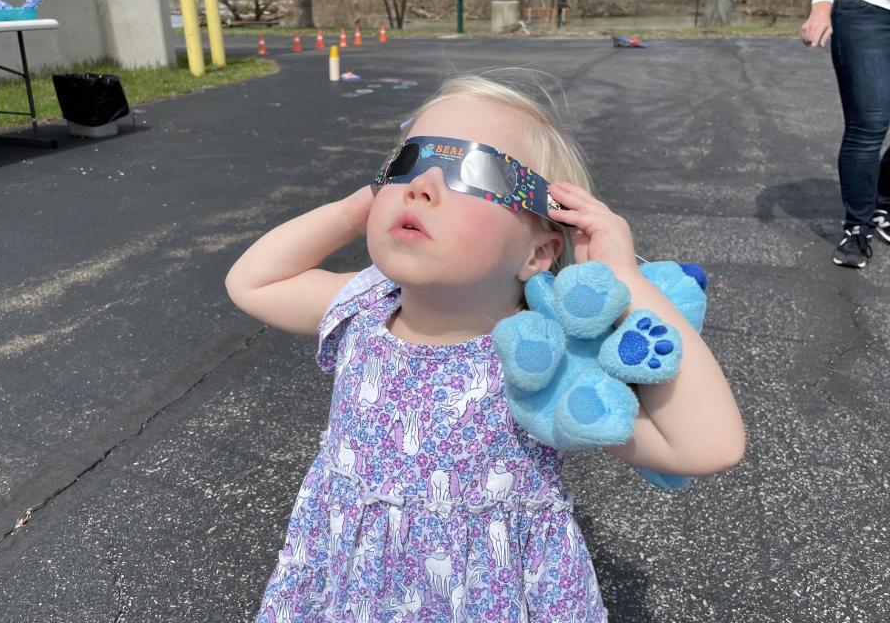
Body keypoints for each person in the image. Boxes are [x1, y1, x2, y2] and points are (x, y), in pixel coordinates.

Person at [226, 73, 746, 622]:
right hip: (351, 592)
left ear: (539, 253)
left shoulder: (542, 360)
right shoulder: (363, 304)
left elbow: (709, 446)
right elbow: (252, 282)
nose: (421, 185)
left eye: (472, 170)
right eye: (406, 162)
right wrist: (360, 205)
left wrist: (620, 275)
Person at [800, 0, 890, 268]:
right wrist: (821, 6)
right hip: (865, 10)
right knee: (869, 125)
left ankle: (883, 202)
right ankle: (858, 227)